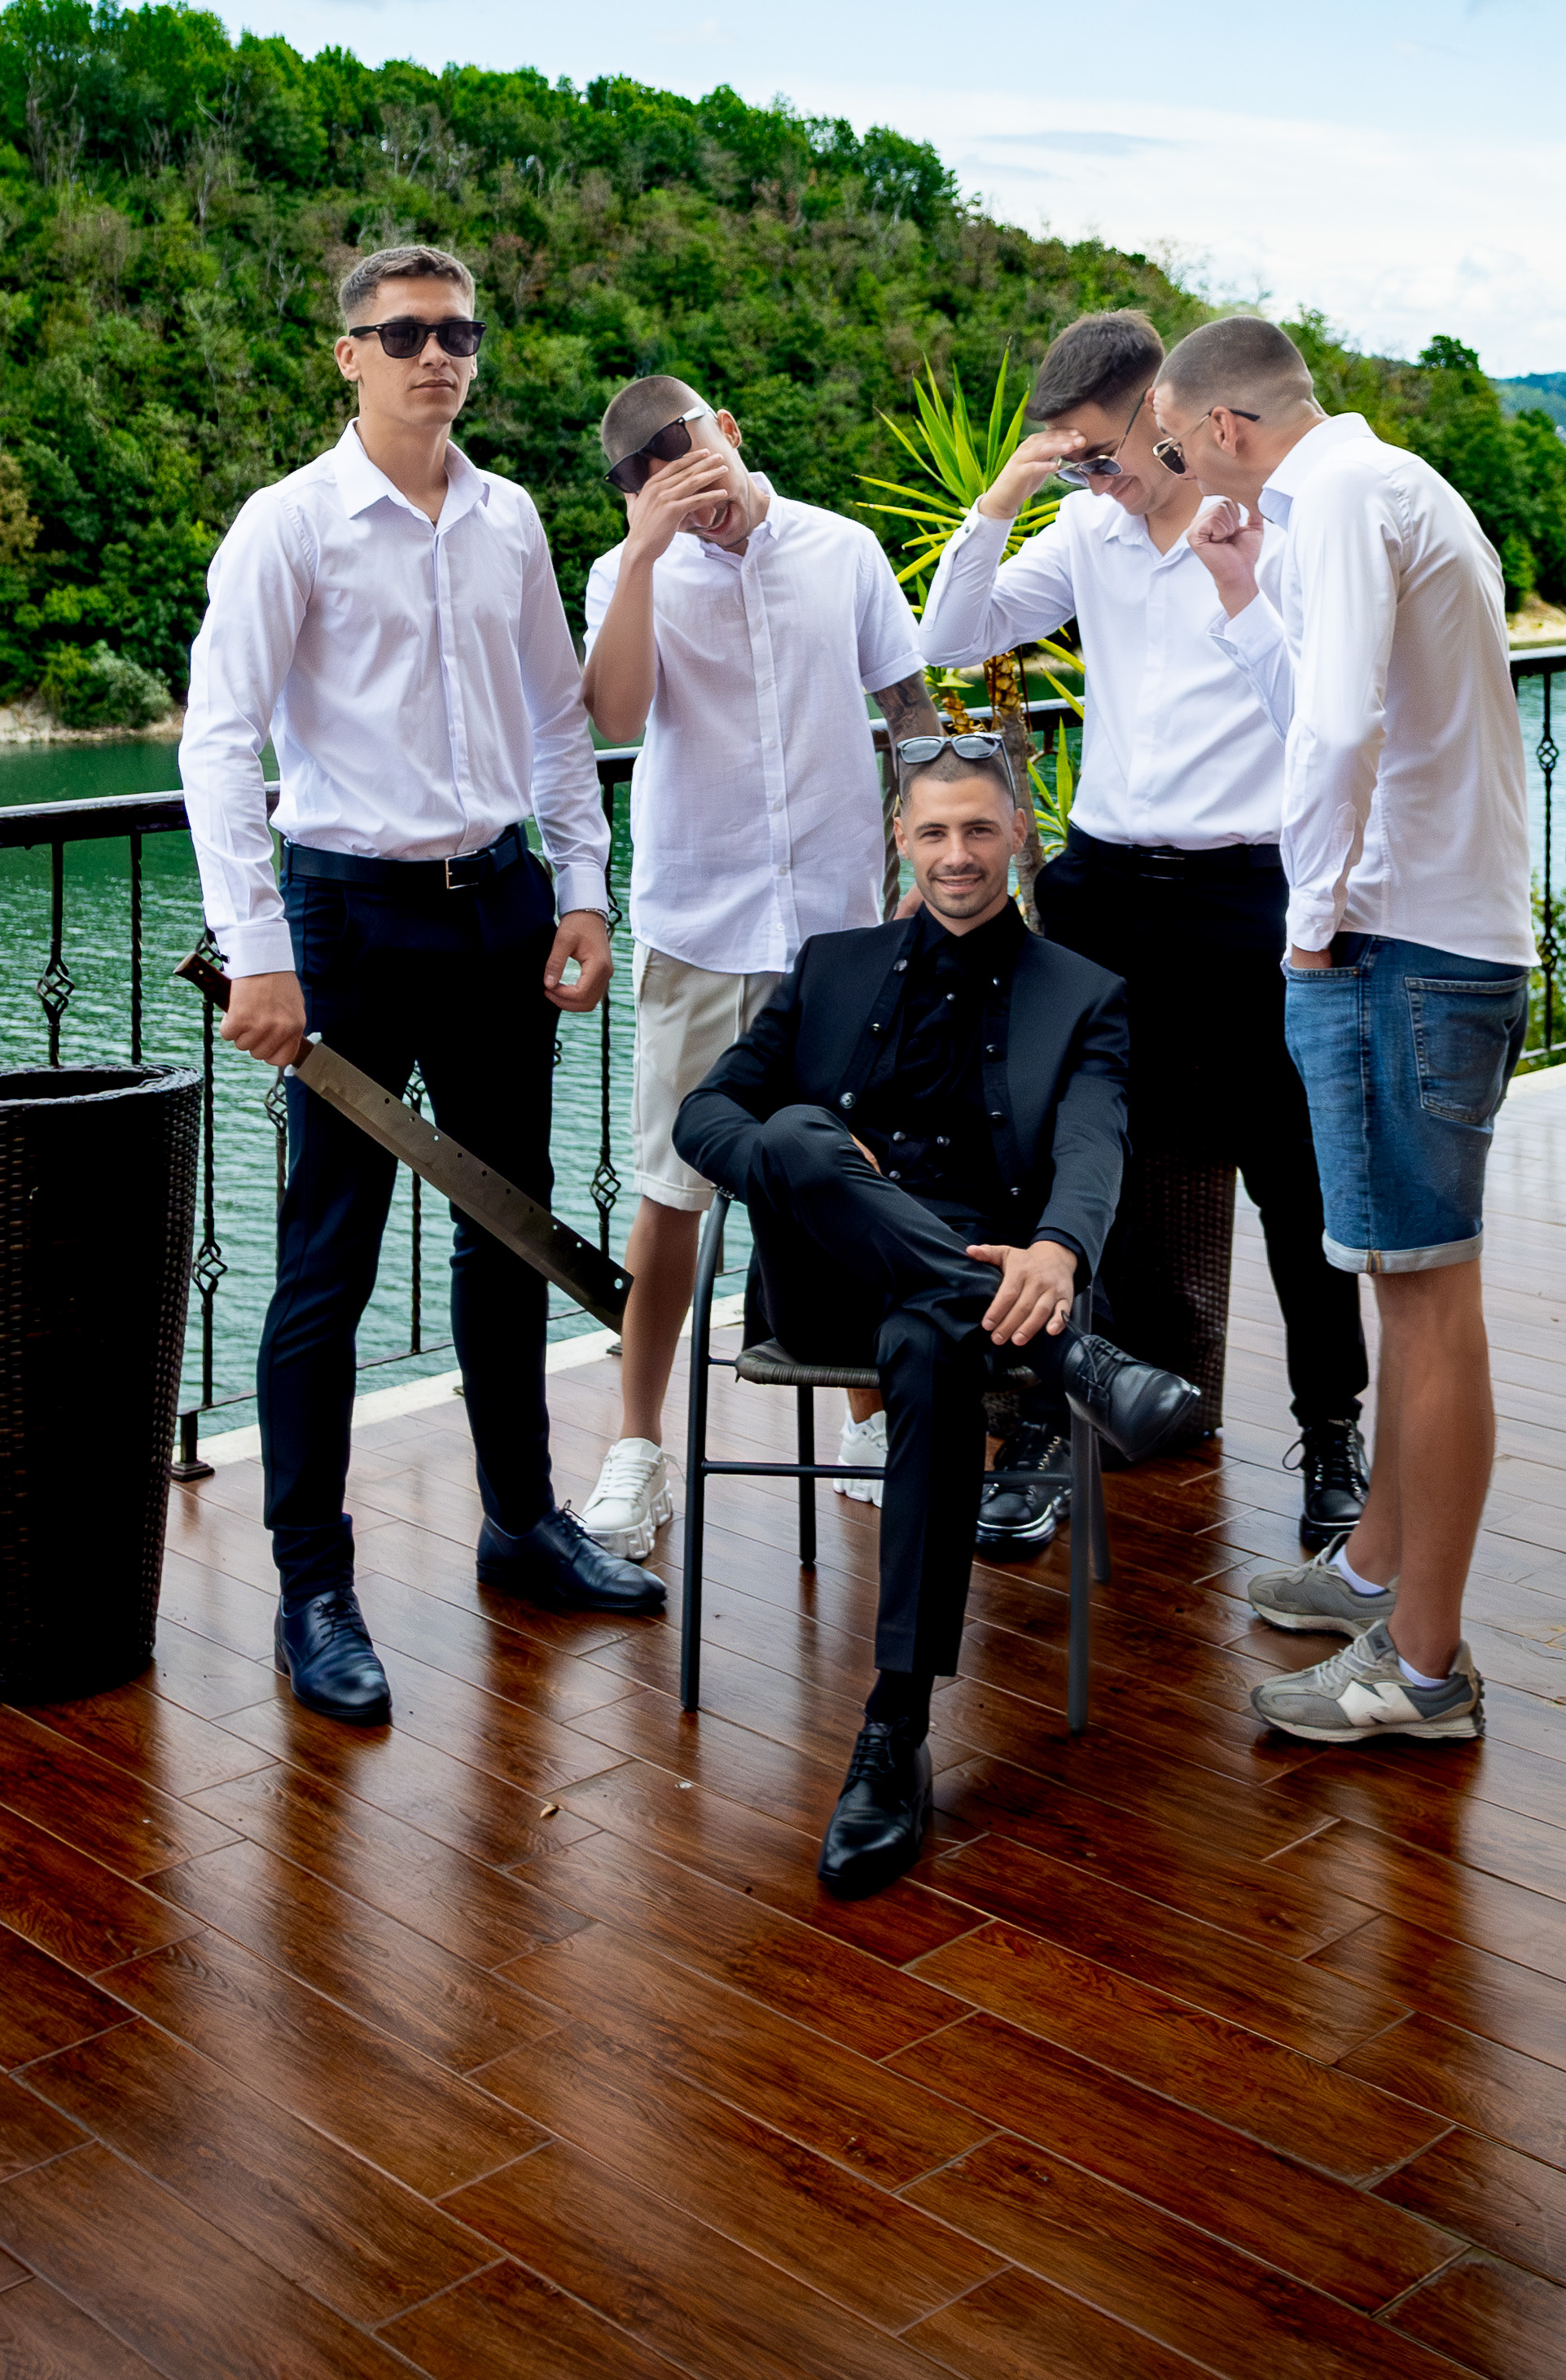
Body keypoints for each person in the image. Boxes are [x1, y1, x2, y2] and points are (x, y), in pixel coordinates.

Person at [180, 242, 663, 1733]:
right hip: (348, 920)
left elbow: (556, 720)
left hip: (498, 906)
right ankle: (312, 1589)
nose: (436, 355)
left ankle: (520, 1524)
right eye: (403, 335)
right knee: (326, 1261)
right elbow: (219, 739)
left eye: (457, 332)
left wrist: (583, 889)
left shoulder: (508, 517)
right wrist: (256, 943)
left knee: (506, 1227)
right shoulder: (290, 524)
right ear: (351, 355)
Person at [674, 736, 1201, 1895]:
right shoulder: (831, 966)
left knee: (930, 1340)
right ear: (899, 841)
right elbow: (703, 1118)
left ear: (1019, 837)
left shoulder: (1086, 995)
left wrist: (1060, 1250)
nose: (956, 855)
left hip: (985, 1292)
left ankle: (894, 1728)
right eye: (933, 832)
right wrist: (800, 1161)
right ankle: (1081, 1361)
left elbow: (1094, 1143)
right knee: (792, 1132)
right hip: (829, 1284)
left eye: (977, 830)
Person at [919, 307, 1369, 1558]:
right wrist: (1010, 495)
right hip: (1104, 890)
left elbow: (1332, 720)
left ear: (1162, 418)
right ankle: (1046, 1431)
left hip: (1247, 891)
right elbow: (947, 639)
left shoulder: (1272, 535)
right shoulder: (1083, 532)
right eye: (1067, 459)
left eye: (1098, 452)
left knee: (1290, 1166)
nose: (1091, 477)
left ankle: (1333, 1432)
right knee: (1058, 1158)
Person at [1160, 315, 1533, 1746]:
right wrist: (1243, 596)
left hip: (1399, 948)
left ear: (1227, 426)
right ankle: (1373, 1569)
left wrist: (1310, 918)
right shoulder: (1370, 493)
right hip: (1428, 938)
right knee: (1406, 1286)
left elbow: (1336, 738)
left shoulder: (1343, 501)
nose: (1183, 475)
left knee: (1428, 1306)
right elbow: (1319, 712)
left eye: (1179, 447)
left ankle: (1423, 1670)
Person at [577, 374, 941, 1558]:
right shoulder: (625, 572)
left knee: (857, 1177)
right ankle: (637, 1451)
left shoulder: (842, 550)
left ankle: (869, 1423)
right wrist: (645, 554)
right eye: (661, 485)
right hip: (700, 923)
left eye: (698, 462)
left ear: (729, 430)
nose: (698, 497)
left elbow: (909, 705)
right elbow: (614, 715)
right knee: (670, 1191)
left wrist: (928, 851)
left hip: (839, 928)